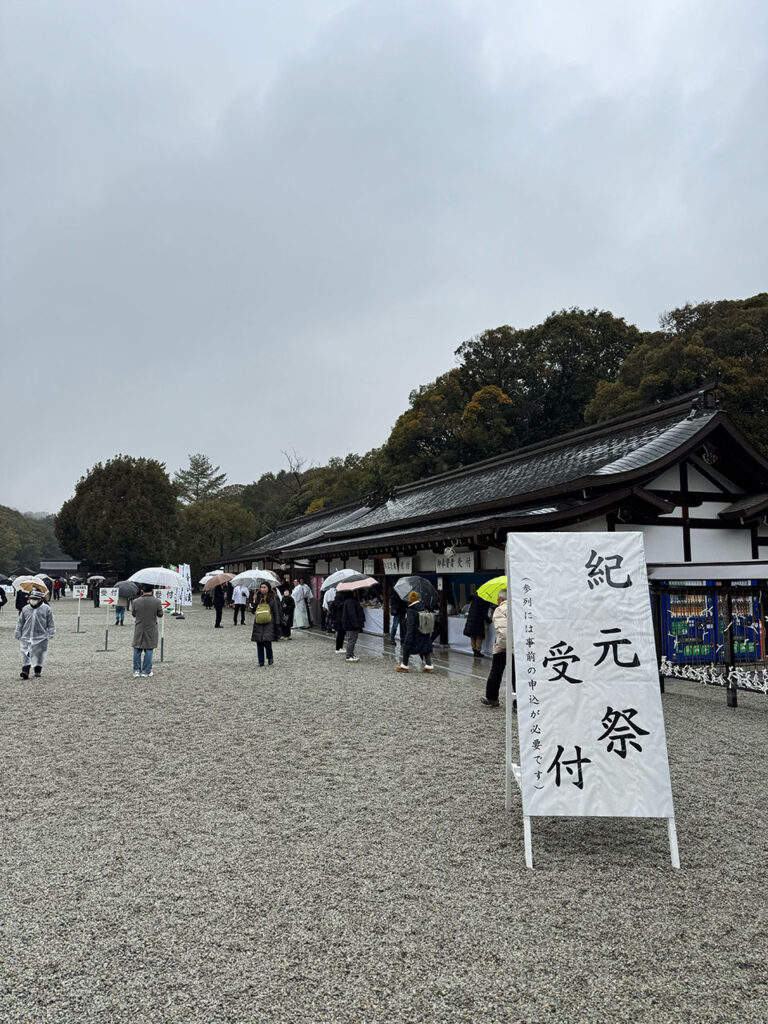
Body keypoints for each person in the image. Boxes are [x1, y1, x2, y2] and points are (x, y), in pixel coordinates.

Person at [481, 589, 515, 709]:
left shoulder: (500, 610)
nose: (496, 601)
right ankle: (518, 702)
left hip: (503, 647)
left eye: (497, 599)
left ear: (501, 599)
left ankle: (492, 698)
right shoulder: (518, 608)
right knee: (516, 675)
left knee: (496, 672)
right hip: (518, 647)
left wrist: (503, 646)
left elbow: (504, 631)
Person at [14, 588, 55, 679]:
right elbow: (20, 622)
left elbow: (50, 622)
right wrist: (18, 632)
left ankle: (37, 670)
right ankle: (25, 670)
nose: (33, 601)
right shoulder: (25, 609)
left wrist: (51, 632)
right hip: (26, 635)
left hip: (41, 636)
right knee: (25, 652)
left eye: (35, 599)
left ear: (41, 599)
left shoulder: (46, 609)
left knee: (39, 653)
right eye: (31, 598)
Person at [396, 591, 435, 673]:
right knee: (426, 649)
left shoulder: (411, 610)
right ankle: (429, 666)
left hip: (414, 634)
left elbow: (410, 625)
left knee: (406, 648)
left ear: (410, 599)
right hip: (424, 633)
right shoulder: (423, 607)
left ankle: (404, 666)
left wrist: (408, 637)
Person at [131, 584, 163, 677]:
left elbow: (134, 614)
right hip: (151, 627)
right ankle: (146, 670)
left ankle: (136, 670)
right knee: (149, 649)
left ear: (142, 590)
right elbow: (160, 614)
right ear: (152, 590)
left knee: (137, 648)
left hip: (139, 627)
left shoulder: (136, 601)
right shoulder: (157, 601)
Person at [251, 582, 281, 667]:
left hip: (269, 622)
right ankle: (261, 661)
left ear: (268, 588)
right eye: (261, 587)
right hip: (259, 622)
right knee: (259, 641)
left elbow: (276, 610)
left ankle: (270, 657)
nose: (262, 589)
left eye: (264, 587)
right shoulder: (258, 597)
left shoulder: (273, 598)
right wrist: (253, 603)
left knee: (267, 641)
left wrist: (277, 623)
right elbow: (254, 610)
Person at [340, 589, 365, 662]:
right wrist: (356, 624)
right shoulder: (351, 602)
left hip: (350, 624)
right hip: (351, 624)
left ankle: (351, 654)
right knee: (352, 640)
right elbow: (352, 614)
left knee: (352, 639)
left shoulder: (348, 601)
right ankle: (349, 655)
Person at [463, 593, 491, 657]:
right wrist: (489, 621)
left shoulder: (474, 600)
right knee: (479, 636)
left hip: (471, 620)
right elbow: (485, 613)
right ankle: (478, 651)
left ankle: (474, 650)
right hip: (479, 621)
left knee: (472, 636)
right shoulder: (484, 601)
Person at [331, 588, 346, 653]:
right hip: (339, 619)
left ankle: (340, 647)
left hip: (338, 619)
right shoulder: (339, 602)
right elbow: (339, 607)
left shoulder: (335, 602)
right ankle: (338, 648)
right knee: (340, 634)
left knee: (341, 634)